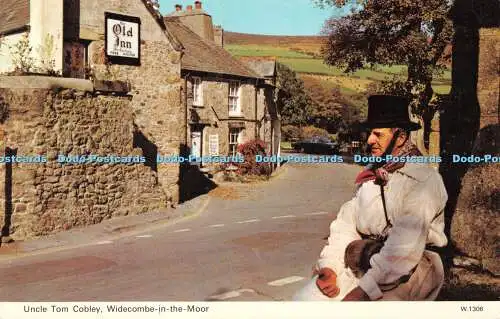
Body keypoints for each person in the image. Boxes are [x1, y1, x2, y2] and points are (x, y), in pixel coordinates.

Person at [293, 95, 448, 301]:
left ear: (400, 137)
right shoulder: (370, 176)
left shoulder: (423, 181)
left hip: (410, 270)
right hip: (366, 261)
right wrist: (330, 267)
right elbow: (346, 225)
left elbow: (403, 248)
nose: (369, 140)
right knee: (303, 301)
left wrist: (363, 291)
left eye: (377, 135)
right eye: (370, 133)